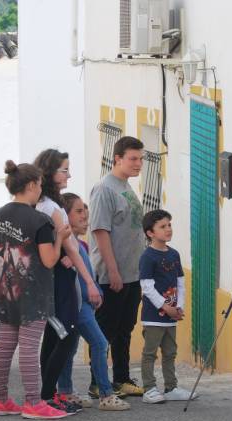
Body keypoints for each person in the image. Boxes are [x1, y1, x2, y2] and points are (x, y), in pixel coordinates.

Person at [0, 160, 71, 420]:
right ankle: (33, 402)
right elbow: (49, 261)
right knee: (29, 348)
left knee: (5, 345)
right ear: (32, 185)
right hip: (32, 294)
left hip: (1, 290)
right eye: (40, 186)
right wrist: (60, 238)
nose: (40, 190)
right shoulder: (40, 220)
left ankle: (1, 401)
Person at [33, 149, 103, 415]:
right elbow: (71, 246)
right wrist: (89, 281)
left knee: (54, 336)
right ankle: (49, 395)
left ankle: (47, 394)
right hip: (59, 281)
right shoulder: (52, 206)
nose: (68, 174)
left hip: (48, 278)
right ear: (50, 173)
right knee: (65, 335)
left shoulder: (43, 203)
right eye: (64, 169)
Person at [57, 192, 131, 411]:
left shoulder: (81, 246)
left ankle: (66, 391)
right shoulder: (66, 248)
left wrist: (96, 290)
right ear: (65, 215)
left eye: (86, 213)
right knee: (99, 344)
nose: (84, 218)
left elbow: (86, 273)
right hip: (77, 306)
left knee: (69, 349)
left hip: (84, 305)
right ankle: (106, 395)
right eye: (78, 212)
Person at [89, 136, 146, 397]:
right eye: (133, 159)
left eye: (141, 159)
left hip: (132, 273)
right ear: (118, 159)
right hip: (112, 275)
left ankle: (121, 379)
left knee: (125, 329)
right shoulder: (105, 189)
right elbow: (100, 231)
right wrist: (112, 270)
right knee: (104, 331)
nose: (138, 164)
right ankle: (96, 382)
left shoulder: (125, 186)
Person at [138, 209, 198, 404]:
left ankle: (171, 387)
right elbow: (147, 286)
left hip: (171, 315)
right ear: (150, 233)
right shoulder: (148, 256)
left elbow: (180, 281)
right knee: (150, 352)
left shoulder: (174, 254)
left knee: (170, 352)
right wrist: (165, 306)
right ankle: (149, 389)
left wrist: (178, 306)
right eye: (162, 226)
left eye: (169, 225)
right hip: (154, 315)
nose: (168, 229)